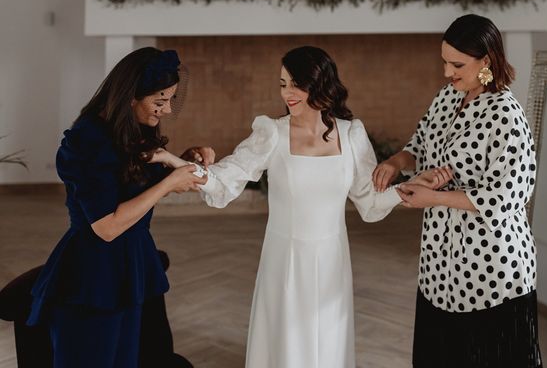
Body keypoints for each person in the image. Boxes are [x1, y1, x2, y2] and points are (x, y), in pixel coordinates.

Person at [156, 46, 430, 368]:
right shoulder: (272, 132)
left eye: (295, 84)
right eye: (282, 84)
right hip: (284, 259)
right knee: (287, 342)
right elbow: (228, 178)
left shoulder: (352, 133)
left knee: (328, 335)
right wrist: (178, 164)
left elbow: (369, 201)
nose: (288, 93)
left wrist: (407, 190)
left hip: (332, 258)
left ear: (319, 84)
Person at [373, 14, 543, 368]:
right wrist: (395, 160)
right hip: (439, 268)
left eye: (456, 64)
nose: (447, 72)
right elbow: (419, 143)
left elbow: (507, 197)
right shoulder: (448, 98)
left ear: (486, 61)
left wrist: (434, 197)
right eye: (444, 62)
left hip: (491, 271)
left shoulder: (506, 115)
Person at [27, 47, 212, 368]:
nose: (167, 110)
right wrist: (169, 183)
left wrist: (183, 158)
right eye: (159, 101)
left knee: (147, 356)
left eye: (170, 99)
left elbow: (138, 186)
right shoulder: (87, 141)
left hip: (135, 262)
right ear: (129, 97)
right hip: (95, 273)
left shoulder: (131, 129)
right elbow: (107, 227)